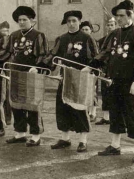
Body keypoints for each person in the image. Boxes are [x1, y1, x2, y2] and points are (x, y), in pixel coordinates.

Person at [92, 0, 134, 162]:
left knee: (133, 114)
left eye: (121, 16)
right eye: (116, 16)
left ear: (130, 15)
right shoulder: (114, 34)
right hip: (113, 80)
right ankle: (115, 146)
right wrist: (91, 66)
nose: (118, 19)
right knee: (115, 113)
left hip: (130, 82)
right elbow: (104, 53)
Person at [42, 10, 98, 153]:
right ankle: (65, 139)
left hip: (81, 78)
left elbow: (96, 58)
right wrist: (43, 67)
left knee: (79, 109)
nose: (71, 24)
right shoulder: (62, 38)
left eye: (74, 21)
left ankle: (83, 140)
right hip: (65, 78)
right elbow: (53, 55)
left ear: (79, 21)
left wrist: (89, 68)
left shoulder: (86, 38)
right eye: (69, 21)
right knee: (62, 108)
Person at [4, 6, 49, 146]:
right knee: (17, 104)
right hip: (16, 73)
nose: (22, 22)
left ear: (31, 20)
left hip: (32, 75)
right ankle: (20, 133)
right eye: (19, 20)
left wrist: (38, 67)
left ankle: (35, 135)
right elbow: (7, 53)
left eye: (24, 19)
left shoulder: (38, 35)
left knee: (32, 105)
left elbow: (43, 54)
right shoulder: (14, 35)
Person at [95, 17, 116, 125]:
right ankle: (106, 117)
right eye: (108, 25)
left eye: (112, 25)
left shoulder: (120, 39)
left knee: (116, 94)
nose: (110, 27)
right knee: (105, 93)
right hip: (106, 69)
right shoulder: (103, 40)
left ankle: (116, 117)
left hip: (117, 70)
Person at [80, 21, 98, 122]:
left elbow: (97, 55)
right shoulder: (79, 41)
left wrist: (92, 67)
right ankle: (84, 112)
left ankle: (93, 113)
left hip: (91, 69)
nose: (84, 31)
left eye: (86, 29)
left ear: (91, 31)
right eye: (82, 30)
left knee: (92, 91)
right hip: (81, 70)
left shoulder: (93, 41)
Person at [0, 21, 11, 125]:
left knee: (8, 93)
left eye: (6, 30)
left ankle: (8, 117)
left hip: (10, 69)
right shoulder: (0, 40)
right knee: (2, 95)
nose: (5, 33)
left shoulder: (12, 39)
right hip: (1, 68)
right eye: (3, 31)